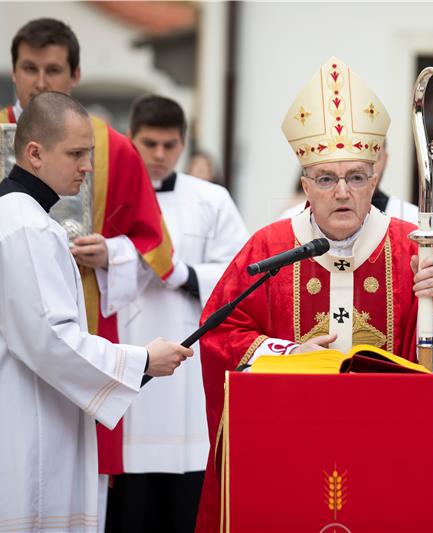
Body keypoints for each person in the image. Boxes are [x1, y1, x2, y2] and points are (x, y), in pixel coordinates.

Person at [195, 57, 433, 533]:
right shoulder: (270, 246)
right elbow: (220, 334)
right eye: (327, 179)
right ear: (306, 184)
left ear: (375, 178)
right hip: (290, 447)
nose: (343, 192)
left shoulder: (410, 243)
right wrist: (291, 355)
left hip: (388, 451)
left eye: (356, 177)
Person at [0, 92, 193, 533]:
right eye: (76, 153)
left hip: (20, 416)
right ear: (35, 153)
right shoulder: (22, 227)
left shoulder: (14, 216)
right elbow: (49, 339)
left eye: (90, 154)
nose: (88, 166)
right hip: (17, 430)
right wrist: (141, 361)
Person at [105, 95, 248, 533]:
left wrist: (183, 274)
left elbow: (238, 274)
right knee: (130, 511)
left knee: (185, 505)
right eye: (150, 144)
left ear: (184, 142)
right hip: (125, 360)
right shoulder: (105, 196)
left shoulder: (212, 199)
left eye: (171, 144)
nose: (161, 155)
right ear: (131, 140)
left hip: (186, 372)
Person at [280, 140, 433, 263]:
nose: (342, 193)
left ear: (385, 159)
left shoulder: (416, 225)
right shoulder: (289, 227)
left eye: (372, 157)